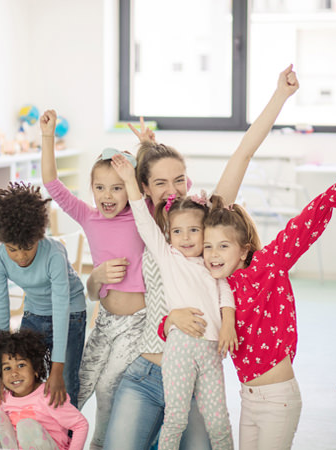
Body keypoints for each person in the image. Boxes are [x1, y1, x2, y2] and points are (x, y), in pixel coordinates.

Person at [99, 65, 299, 450]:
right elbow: (106, 198)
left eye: (179, 179)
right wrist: (165, 318)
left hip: (196, 378)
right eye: (160, 183)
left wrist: (280, 96)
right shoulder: (138, 224)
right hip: (146, 371)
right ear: (143, 188)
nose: (173, 189)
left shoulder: (206, 224)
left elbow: (242, 155)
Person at [197, 147, 336, 449]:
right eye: (208, 247)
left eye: (223, 246)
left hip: (278, 400)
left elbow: (303, 225)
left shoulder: (266, 265)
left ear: (244, 249)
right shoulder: (215, 285)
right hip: (247, 398)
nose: (213, 255)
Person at [112, 153, 238, 449]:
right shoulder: (168, 256)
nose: (185, 238)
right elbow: (145, 221)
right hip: (162, 362)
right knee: (176, 420)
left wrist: (228, 321)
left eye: (194, 230)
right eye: (177, 231)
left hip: (207, 357)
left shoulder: (212, 260)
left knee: (220, 422)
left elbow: (225, 290)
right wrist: (130, 179)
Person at [40, 110, 147, 449]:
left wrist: (149, 148)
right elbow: (52, 184)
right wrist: (47, 137)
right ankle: (58, 441)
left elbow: (176, 191)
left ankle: (99, 444)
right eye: (100, 187)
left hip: (137, 324)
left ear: (131, 188)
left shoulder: (143, 215)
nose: (108, 195)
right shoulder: (89, 216)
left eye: (117, 188)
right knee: (79, 386)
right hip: (104, 322)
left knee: (107, 388)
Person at [0, 182, 86, 408]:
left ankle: (67, 439)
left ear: (39, 235)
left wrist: (58, 370)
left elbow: (61, 308)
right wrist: (1, 369)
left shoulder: (54, 253)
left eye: (28, 247)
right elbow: (0, 309)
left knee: (65, 386)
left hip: (70, 312)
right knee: (26, 381)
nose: (21, 256)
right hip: (34, 312)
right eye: (13, 249)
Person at [0, 328, 88, 450]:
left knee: (26, 426)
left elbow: (80, 425)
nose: (14, 373)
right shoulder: (6, 398)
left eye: (21, 365)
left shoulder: (49, 396)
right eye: (7, 368)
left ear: (36, 370)